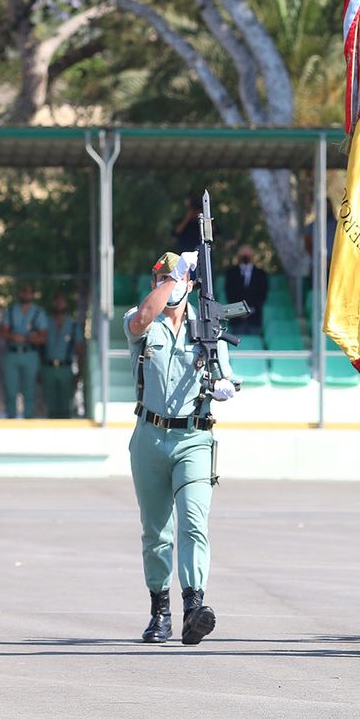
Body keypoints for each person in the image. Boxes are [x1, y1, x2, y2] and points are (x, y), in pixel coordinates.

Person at [125, 250, 239, 645]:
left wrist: (226, 388)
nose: (166, 285)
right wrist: (175, 276)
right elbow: (141, 318)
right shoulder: (141, 321)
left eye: (173, 279)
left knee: (194, 522)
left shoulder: (207, 327)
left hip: (194, 437)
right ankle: (160, 611)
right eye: (160, 279)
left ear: (193, 285)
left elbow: (225, 375)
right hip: (150, 437)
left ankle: (194, 605)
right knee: (156, 531)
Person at [0, 284, 47, 418]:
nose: (26, 294)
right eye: (24, 291)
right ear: (20, 294)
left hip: (30, 353)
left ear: (33, 295)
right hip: (12, 353)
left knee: (29, 390)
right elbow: (3, 332)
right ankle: (11, 417)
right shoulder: (11, 310)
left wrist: (29, 338)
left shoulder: (38, 313)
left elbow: (43, 337)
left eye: (29, 292)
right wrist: (13, 336)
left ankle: (28, 419)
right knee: (10, 389)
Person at [42, 292, 82, 419]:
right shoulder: (46, 322)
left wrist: (79, 372)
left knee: (66, 405)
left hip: (66, 368)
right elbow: (39, 347)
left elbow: (80, 349)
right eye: (56, 301)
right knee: (50, 405)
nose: (59, 304)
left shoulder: (73, 324)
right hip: (48, 367)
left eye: (62, 301)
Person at [222, 244, 268, 336]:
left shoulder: (261, 274)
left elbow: (263, 294)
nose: (245, 256)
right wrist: (240, 311)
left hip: (254, 319)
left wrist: (251, 309)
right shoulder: (231, 273)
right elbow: (229, 293)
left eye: (248, 253)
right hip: (236, 318)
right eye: (243, 254)